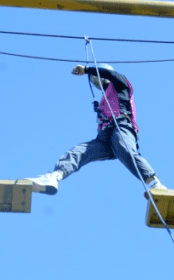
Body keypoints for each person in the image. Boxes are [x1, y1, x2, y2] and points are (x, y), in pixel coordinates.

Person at [27, 63, 164, 195]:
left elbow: (110, 74)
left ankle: (155, 183)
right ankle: (54, 177)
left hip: (121, 127)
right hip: (105, 138)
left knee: (125, 150)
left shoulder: (121, 85)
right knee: (79, 152)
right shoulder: (106, 97)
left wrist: (87, 69)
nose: (94, 82)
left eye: (95, 78)